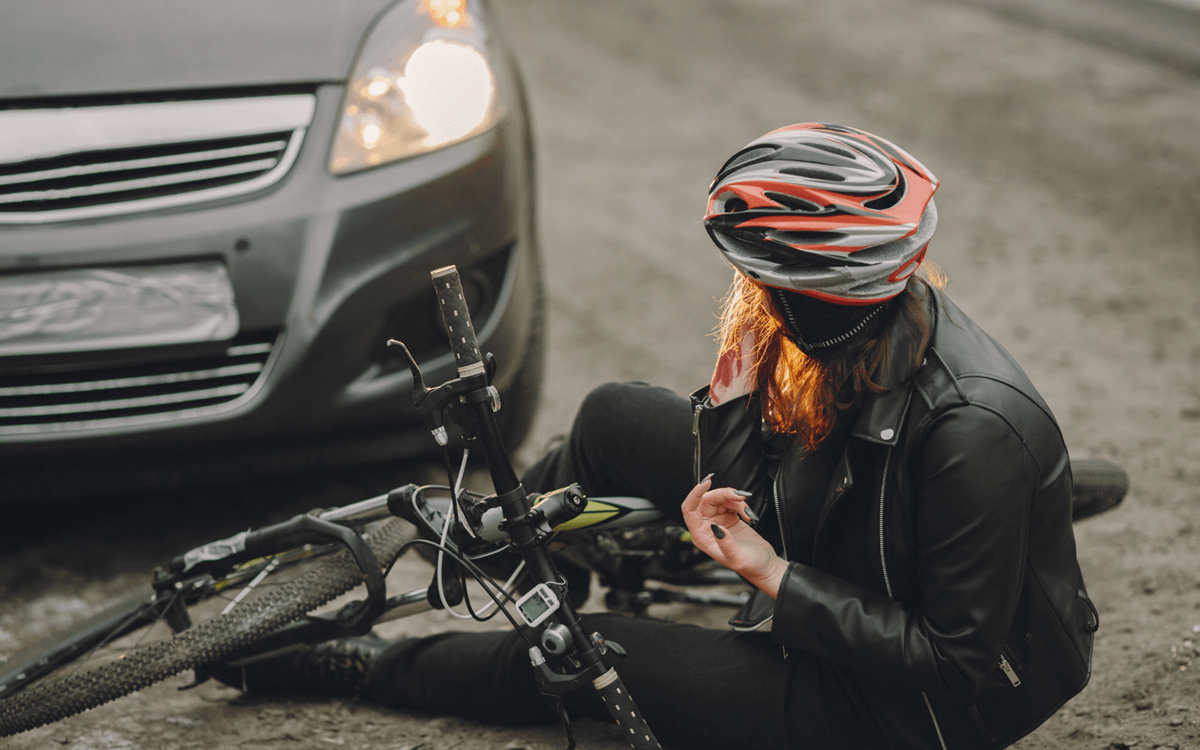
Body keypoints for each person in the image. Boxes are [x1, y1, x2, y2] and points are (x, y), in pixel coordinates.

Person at [223, 123, 1097, 750]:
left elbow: (954, 659)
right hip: (841, 545)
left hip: (914, 711)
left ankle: (375, 664)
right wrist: (731, 400)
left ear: (816, 289)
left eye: (758, 279)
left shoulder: (973, 431)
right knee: (611, 413)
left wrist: (771, 574)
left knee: (593, 651)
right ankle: (525, 567)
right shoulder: (865, 331)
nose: (746, 294)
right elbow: (804, 470)